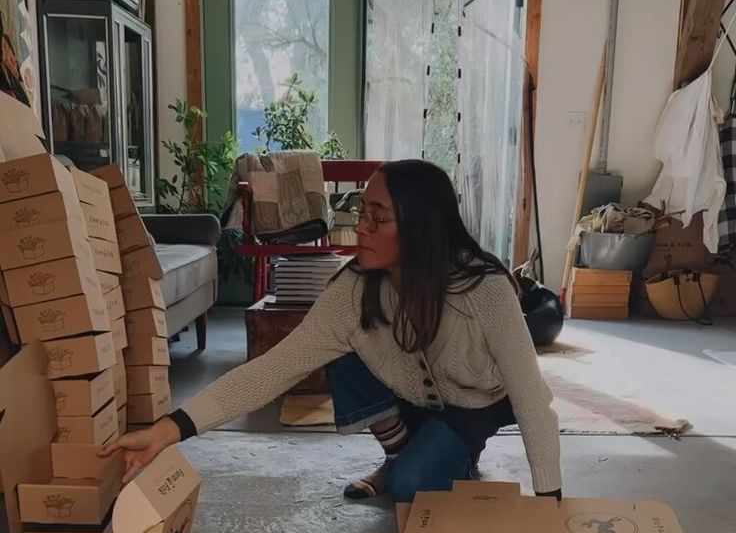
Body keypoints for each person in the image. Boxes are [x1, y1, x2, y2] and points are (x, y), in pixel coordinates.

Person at [106, 160, 561, 501]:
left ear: (422, 227)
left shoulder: (483, 287)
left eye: (376, 218)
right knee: (341, 358)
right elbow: (273, 370)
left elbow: (531, 400)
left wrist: (548, 501)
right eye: (361, 212)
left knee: (411, 489)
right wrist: (167, 431)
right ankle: (402, 450)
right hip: (412, 398)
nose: (359, 228)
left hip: (473, 404)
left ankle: (454, 454)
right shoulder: (352, 292)